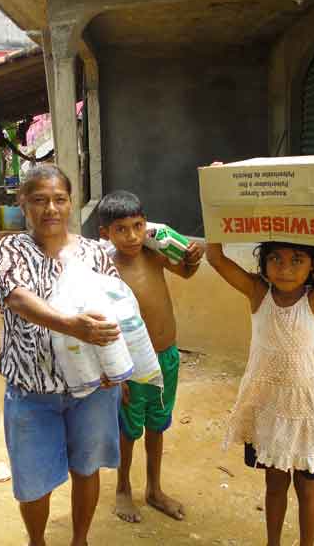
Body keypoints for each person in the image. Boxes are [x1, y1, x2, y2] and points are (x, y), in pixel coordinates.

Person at [205, 159, 314, 546]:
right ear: (264, 265)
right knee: (274, 484)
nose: (285, 267)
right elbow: (216, 258)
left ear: (312, 268)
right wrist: (215, 196)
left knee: (307, 488)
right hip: (267, 406)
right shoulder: (259, 294)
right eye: (275, 258)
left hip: (305, 408)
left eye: (297, 260)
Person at [0, 164, 122, 546]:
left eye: (59, 199)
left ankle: (79, 540)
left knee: (87, 468)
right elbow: (17, 297)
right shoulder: (12, 248)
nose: (51, 208)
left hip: (93, 391)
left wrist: (120, 368)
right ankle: (38, 541)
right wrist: (71, 325)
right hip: (33, 392)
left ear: (70, 203)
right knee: (32, 482)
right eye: (40, 200)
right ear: (23, 204)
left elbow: (117, 307)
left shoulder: (95, 253)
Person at [97, 191, 203, 524]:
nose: (132, 236)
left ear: (146, 225)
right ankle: (123, 489)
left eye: (138, 226)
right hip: (130, 364)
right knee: (129, 430)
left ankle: (154, 489)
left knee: (158, 423)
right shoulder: (105, 268)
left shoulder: (155, 255)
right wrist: (114, 371)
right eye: (121, 229)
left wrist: (194, 257)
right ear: (106, 234)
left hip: (166, 356)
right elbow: (100, 318)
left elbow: (186, 271)